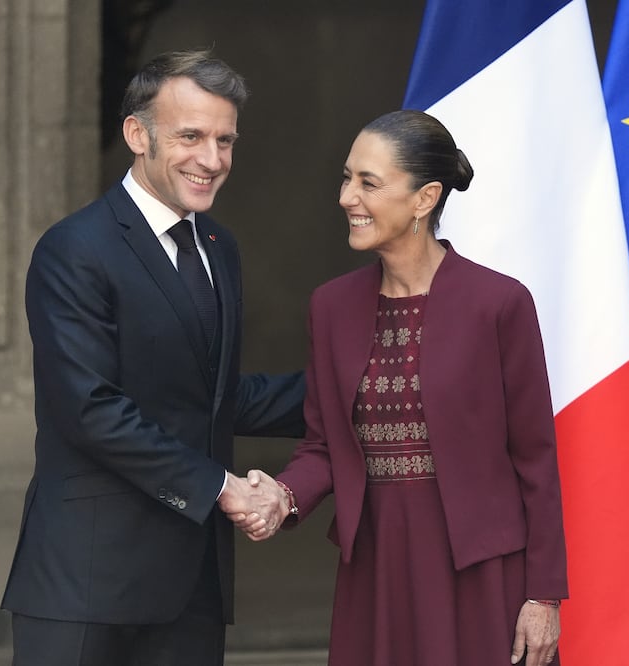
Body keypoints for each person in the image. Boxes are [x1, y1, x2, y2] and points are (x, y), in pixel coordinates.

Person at [1, 49, 304, 666]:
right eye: (190, 136)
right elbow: (89, 409)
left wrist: (370, 389)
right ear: (138, 134)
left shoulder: (219, 248)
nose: (212, 160)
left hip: (192, 586)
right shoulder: (74, 249)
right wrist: (222, 488)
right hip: (85, 583)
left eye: (226, 140)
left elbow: (210, 395)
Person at [237, 110, 567, 666]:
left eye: (368, 182)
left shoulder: (500, 303)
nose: (347, 196)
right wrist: (282, 496)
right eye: (346, 178)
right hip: (377, 567)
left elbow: (536, 459)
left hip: (482, 573)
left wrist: (543, 596)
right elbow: (323, 445)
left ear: (424, 198)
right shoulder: (330, 307)